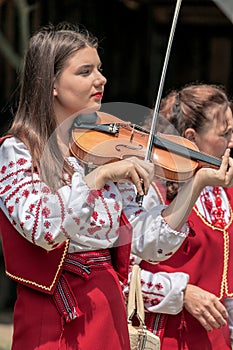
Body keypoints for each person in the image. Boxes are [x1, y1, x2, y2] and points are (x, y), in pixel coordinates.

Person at [0, 23, 232, 350]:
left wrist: (196, 183)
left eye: (100, 69)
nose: (101, 79)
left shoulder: (106, 150)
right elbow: (43, 228)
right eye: (85, 71)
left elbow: (145, 242)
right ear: (50, 83)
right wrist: (97, 179)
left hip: (108, 304)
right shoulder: (18, 151)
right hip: (54, 312)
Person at [126, 83, 233, 349]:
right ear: (191, 136)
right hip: (163, 336)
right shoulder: (152, 188)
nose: (232, 142)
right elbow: (120, 275)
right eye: (225, 133)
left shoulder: (225, 193)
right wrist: (181, 292)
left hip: (213, 339)